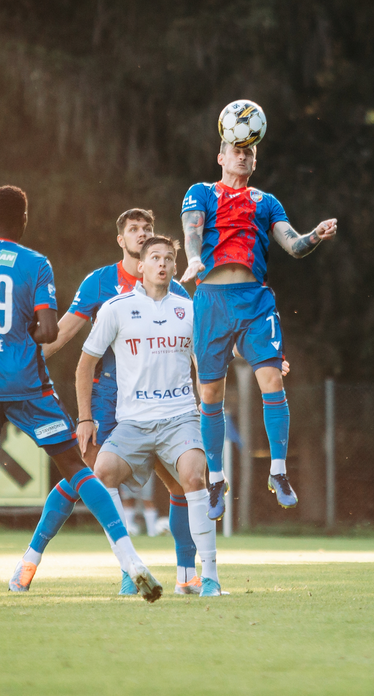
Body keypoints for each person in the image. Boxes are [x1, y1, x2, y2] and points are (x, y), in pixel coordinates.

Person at [0, 186, 161, 604]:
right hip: (27, 384)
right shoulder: (35, 264)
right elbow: (47, 331)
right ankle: (132, 561)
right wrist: (23, 329)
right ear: (24, 221)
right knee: (78, 470)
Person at [8, 208, 202, 596]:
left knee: (181, 485)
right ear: (121, 240)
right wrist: (16, 368)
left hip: (159, 405)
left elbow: (193, 351)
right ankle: (32, 560)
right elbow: (62, 334)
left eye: (148, 229)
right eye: (134, 230)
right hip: (107, 396)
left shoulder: (174, 290)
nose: (143, 235)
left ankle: (187, 576)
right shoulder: (100, 283)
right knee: (83, 474)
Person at [180, 140, 336, 520]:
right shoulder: (200, 192)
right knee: (211, 391)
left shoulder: (266, 202)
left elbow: (295, 246)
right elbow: (192, 233)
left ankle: (278, 472)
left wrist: (314, 234)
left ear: (255, 161)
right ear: (220, 157)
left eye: (250, 151)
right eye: (236, 149)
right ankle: (216, 477)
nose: (243, 155)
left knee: (272, 379)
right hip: (211, 299)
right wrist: (194, 258)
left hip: (255, 299)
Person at [77, 235, 224, 597]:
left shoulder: (189, 309)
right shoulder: (116, 307)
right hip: (133, 423)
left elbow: (205, 364)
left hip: (180, 418)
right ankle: (130, 567)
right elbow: (85, 364)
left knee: (193, 477)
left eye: (169, 259)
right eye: (155, 257)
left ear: (176, 267)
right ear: (140, 266)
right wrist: (84, 418)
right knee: (102, 473)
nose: (162, 264)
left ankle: (210, 577)